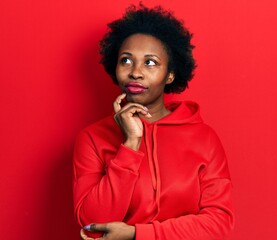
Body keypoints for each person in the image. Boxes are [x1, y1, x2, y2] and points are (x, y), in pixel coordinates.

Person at [73, 4, 234, 240]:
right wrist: (130, 144)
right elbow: (93, 224)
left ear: (170, 74)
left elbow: (219, 224)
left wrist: (138, 234)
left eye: (150, 63)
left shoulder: (204, 138)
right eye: (126, 61)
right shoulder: (92, 138)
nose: (136, 72)